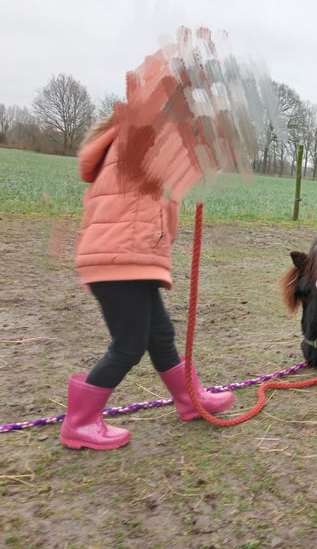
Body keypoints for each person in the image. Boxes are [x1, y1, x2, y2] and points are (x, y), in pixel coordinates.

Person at [59, 112, 235, 451]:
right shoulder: (140, 136)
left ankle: (189, 399)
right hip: (121, 258)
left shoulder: (133, 140)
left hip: (127, 256)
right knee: (129, 345)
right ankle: (79, 423)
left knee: (160, 336)